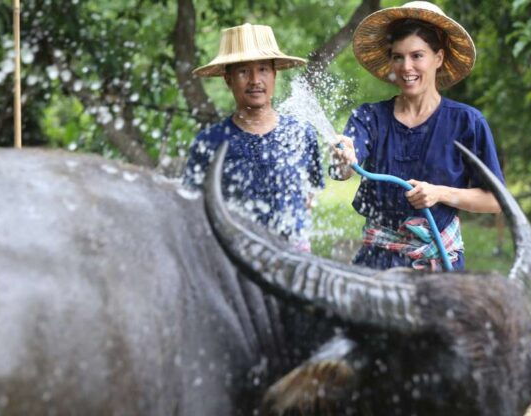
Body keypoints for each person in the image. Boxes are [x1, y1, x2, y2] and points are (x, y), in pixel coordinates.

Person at [331, 1, 504, 271]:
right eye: (398, 57)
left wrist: (439, 193)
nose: (406, 67)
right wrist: (343, 158)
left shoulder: (467, 122)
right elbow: (341, 169)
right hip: (378, 265)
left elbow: (495, 201)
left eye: (417, 55)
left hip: (440, 268)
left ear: (439, 58)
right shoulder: (369, 117)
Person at [183, 23, 324, 251]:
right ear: (228, 79)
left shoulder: (300, 133)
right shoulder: (210, 142)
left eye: (263, 70)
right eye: (243, 72)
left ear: (274, 74)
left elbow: (309, 196)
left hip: (294, 259)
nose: (255, 80)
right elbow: (193, 208)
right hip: (234, 257)